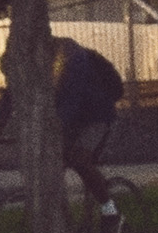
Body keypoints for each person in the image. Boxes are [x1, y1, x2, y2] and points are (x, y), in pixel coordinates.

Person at [51, 29, 127, 216]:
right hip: (73, 117)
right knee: (53, 161)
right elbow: (11, 94)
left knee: (80, 159)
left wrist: (56, 128)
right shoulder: (31, 64)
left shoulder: (71, 57)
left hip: (97, 116)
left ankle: (110, 211)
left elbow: (72, 100)